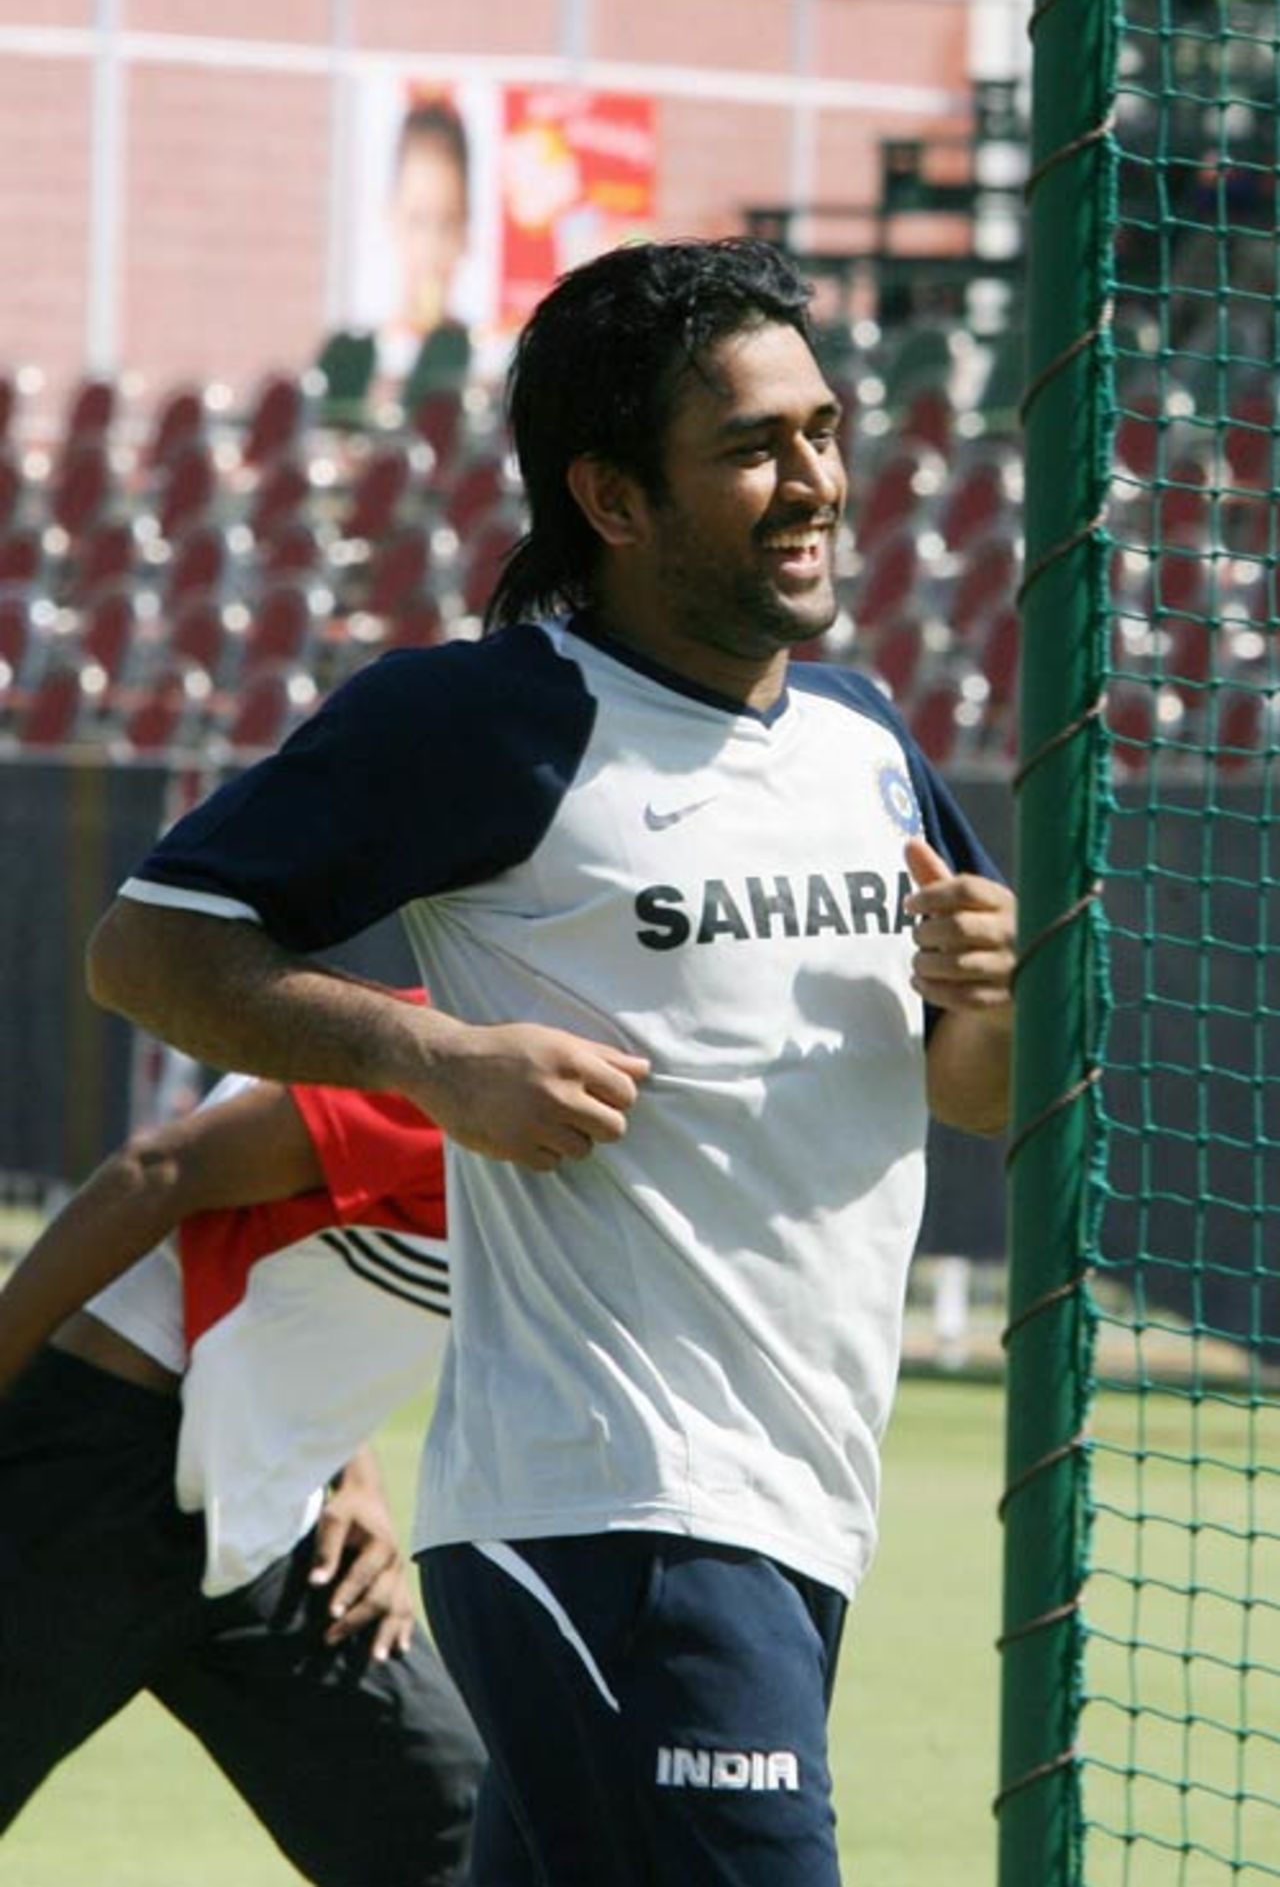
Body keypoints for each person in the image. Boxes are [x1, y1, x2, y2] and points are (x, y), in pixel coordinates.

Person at [85, 234, 1018, 1884]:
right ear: (614, 496)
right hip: (615, 1510)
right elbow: (148, 948)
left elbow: (974, 1090)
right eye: (752, 446)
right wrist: (434, 1058)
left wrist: (995, 992)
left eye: (821, 430)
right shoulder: (485, 718)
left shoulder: (868, 739)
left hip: (801, 1509)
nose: (815, 480)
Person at [0, 1036, 483, 1887]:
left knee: (463, 1833)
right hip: (86, 1479)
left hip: (263, 1513)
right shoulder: (475, 1067)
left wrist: (354, 1477)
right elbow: (159, 1167)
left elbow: (304, 1273)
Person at [317, 98, 473, 425]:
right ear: (392, 219)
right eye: (417, 221)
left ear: (465, 231)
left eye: (447, 222)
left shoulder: (471, 354)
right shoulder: (350, 351)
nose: (431, 247)